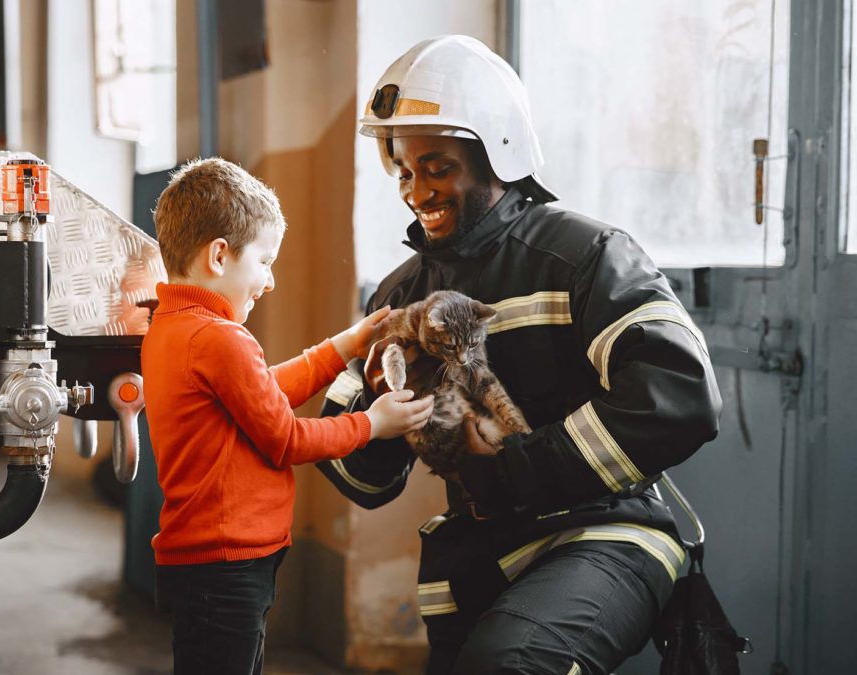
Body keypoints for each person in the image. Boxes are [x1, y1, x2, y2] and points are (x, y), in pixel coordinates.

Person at [318, 35, 723, 675]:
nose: (416, 191)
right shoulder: (399, 296)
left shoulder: (588, 256)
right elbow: (361, 480)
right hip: (479, 554)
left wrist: (513, 468)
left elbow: (681, 397)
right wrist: (377, 403)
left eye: (437, 167)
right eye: (404, 170)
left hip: (607, 534)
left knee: (510, 664)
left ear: (498, 155)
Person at [141, 157, 435, 675]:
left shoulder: (173, 327)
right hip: (227, 565)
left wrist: (345, 345)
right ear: (219, 256)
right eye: (264, 261)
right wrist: (373, 424)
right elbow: (285, 438)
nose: (270, 281)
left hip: (207, 561)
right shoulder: (219, 339)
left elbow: (263, 394)